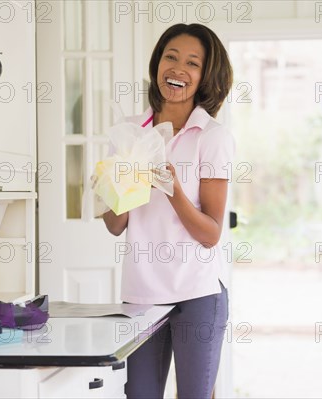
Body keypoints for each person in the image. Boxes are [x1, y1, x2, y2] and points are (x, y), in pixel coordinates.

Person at [103, 23, 234, 398]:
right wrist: (124, 186)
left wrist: (173, 190)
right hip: (141, 293)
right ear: (157, 63)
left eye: (192, 63)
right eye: (170, 57)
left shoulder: (212, 137)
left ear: (205, 76)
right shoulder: (128, 132)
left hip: (198, 292)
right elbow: (114, 224)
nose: (178, 69)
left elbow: (210, 234)